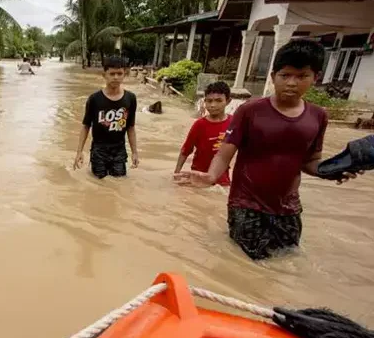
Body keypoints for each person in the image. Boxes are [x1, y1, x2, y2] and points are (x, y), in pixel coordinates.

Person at [175, 40, 361, 260]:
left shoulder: (318, 116)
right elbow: (225, 152)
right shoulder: (250, 111)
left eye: (301, 76)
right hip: (246, 205)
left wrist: (332, 170)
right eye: (285, 75)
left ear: (315, 78)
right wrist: (211, 176)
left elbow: (310, 161)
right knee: (245, 262)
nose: (291, 83)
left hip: (289, 207)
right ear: (273, 76)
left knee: (287, 262)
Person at [74, 56, 138, 178]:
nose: (116, 77)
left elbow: (131, 127)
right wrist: (79, 152)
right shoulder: (94, 99)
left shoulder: (130, 98)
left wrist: (134, 152)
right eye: (112, 74)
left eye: (119, 73)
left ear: (124, 74)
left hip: (119, 149)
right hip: (99, 149)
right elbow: (86, 126)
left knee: (119, 181)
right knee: (99, 181)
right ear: (104, 75)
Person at [174, 81, 232, 186]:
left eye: (218, 101)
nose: (213, 105)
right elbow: (186, 150)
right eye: (209, 101)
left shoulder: (234, 123)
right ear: (204, 102)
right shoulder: (199, 125)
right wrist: (176, 174)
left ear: (228, 101)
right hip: (198, 178)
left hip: (222, 180)